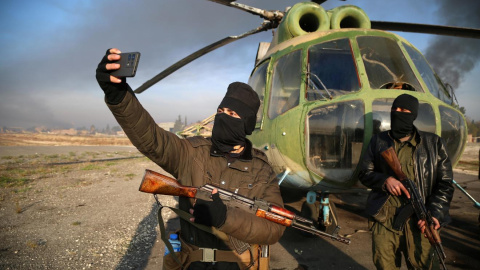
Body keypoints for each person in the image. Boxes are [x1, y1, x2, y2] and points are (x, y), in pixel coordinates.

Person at [95, 48, 285, 269]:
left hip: (240, 264)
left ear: (246, 124)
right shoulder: (192, 152)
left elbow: (274, 229)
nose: (223, 117)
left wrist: (225, 218)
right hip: (191, 263)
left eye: (232, 114)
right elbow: (152, 139)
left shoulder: (262, 170)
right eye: (220, 111)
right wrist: (118, 95)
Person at [359, 94, 454, 270]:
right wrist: (384, 180)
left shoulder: (434, 143)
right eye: (394, 109)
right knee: (384, 265)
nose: (397, 113)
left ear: (413, 114)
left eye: (403, 110)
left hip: (421, 221)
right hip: (385, 219)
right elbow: (364, 173)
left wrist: (435, 213)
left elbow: (445, 184)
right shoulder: (378, 141)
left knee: (424, 265)